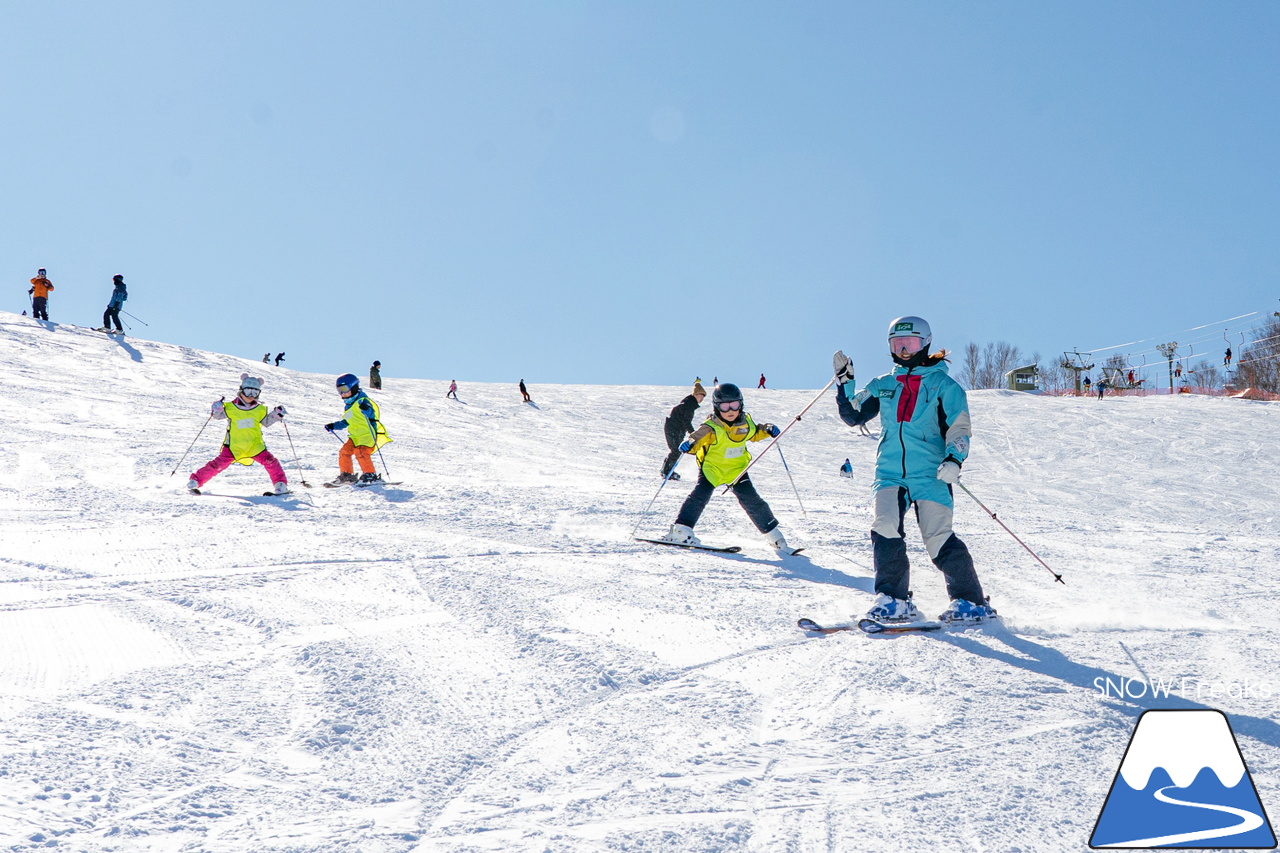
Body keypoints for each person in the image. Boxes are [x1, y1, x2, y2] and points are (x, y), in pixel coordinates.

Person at [832, 316, 995, 625]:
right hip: (890, 474)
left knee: (938, 538)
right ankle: (893, 599)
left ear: (926, 344)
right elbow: (854, 415)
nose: (904, 351)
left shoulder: (943, 385)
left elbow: (959, 428)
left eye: (911, 344)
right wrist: (845, 384)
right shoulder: (884, 384)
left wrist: (954, 459)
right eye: (897, 345)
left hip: (931, 474)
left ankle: (971, 602)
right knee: (885, 527)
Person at [661, 382, 796, 555]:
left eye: (734, 405)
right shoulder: (711, 426)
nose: (730, 410)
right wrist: (689, 444)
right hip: (713, 470)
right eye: (725, 406)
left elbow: (755, 433)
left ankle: (774, 536)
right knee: (699, 497)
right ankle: (681, 530)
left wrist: (767, 429)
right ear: (717, 407)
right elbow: (697, 438)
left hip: (736, 471)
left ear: (741, 404)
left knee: (753, 501)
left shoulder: (745, 422)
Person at [187, 375, 289, 495]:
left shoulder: (260, 409)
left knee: (271, 462)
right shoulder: (230, 407)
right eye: (248, 391)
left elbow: (266, 422)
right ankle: (195, 480)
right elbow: (217, 416)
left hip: (255, 445)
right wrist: (217, 408)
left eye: (255, 392)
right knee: (217, 465)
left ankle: (280, 485)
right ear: (241, 390)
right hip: (233, 446)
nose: (251, 395)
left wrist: (276, 415)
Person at [325, 373, 391, 485]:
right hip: (354, 437)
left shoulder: (362, 400)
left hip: (367, 435)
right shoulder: (348, 406)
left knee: (360, 452)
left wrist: (366, 409)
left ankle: (370, 474)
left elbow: (371, 414)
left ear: (354, 387)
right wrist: (333, 426)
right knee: (344, 452)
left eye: (344, 389)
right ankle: (347, 475)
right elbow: (346, 422)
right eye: (339, 390)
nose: (342, 393)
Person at [659, 381, 706, 480]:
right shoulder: (689, 405)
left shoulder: (689, 403)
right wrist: (693, 434)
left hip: (677, 429)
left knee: (677, 450)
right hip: (674, 428)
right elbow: (686, 421)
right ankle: (666, 471)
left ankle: (667, 470)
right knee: (676, 450)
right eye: (701, 395)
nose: (702, 398)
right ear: (696, 394)